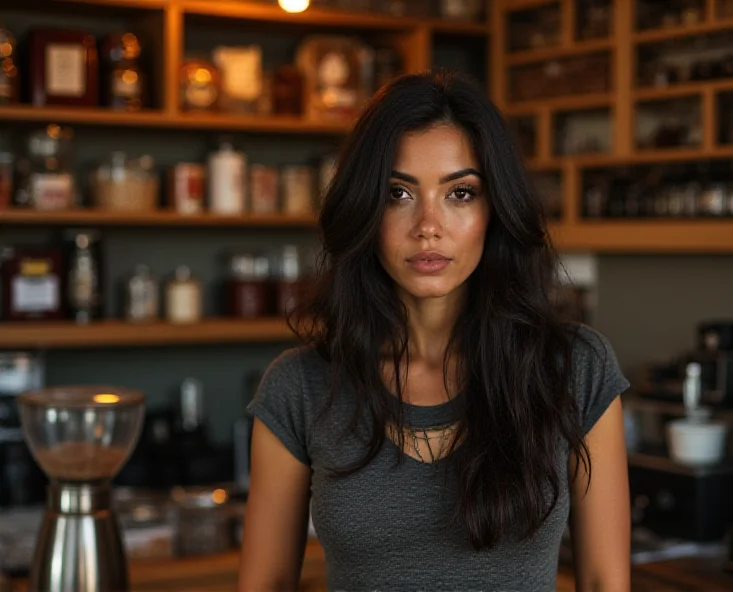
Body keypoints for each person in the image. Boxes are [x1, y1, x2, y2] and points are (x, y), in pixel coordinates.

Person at [238, 70, 631, 591]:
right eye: (398, 193)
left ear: (496, 210)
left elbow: (606, 580)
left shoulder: (574, 368)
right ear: (365, 209)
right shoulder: (300, 388)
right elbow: (264, 584)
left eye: (460, 193)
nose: (428, 224)